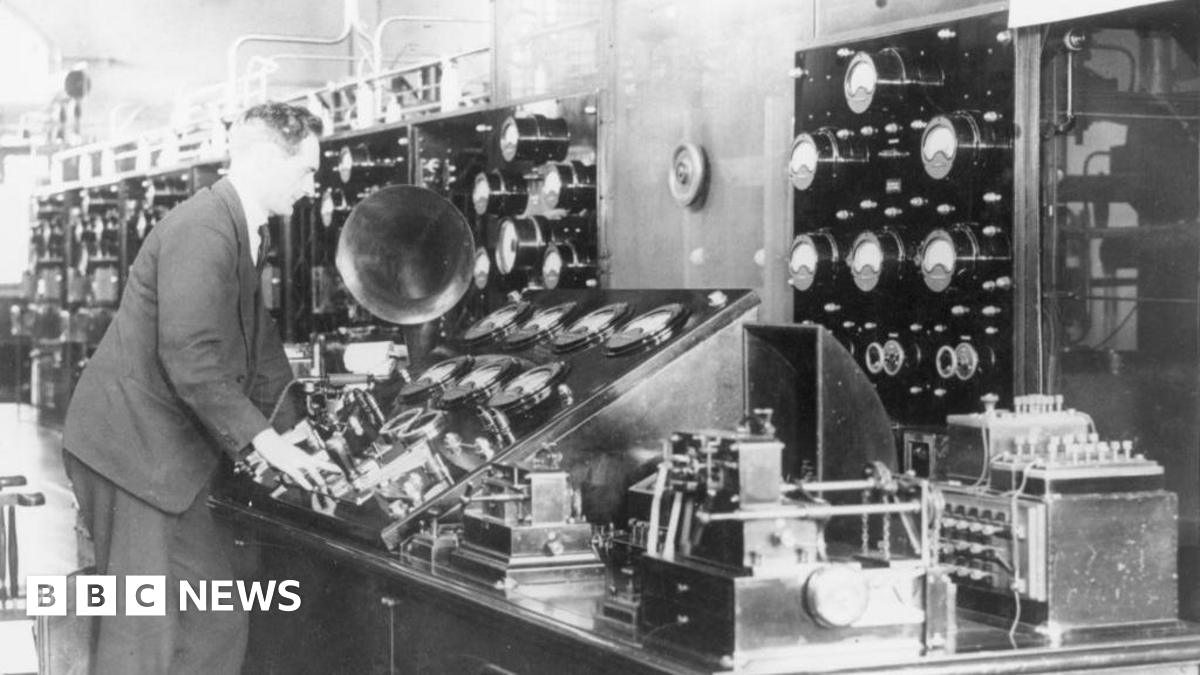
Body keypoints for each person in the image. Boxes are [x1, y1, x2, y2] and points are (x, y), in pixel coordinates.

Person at [62, 102, 333, 675]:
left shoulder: (243, 230)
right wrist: (268, 444)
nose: (314, 187)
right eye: (307, 170)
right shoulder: (203, 228)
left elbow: (258, 345)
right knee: (142, 638)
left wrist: (300, 429)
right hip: (132, 457)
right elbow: (190, 356)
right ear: (263, 157)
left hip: (172, 460)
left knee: (216, 616)